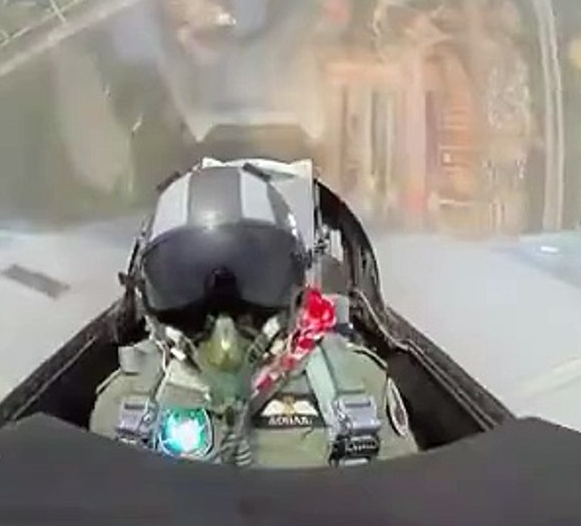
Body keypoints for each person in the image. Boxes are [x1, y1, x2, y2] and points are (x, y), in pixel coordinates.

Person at [89, 162, 418, 468]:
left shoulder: (357, 392)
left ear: (297, 288)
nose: (224, 331)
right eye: (187, 290)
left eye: (255, 284)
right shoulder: (125, 408)